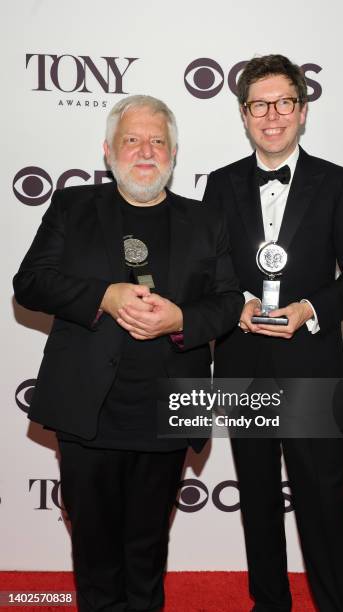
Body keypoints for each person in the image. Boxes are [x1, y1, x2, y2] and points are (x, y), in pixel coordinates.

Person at [13, 94, 243, 612]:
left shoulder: (207, 221)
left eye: (157, 141)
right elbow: (30, 283)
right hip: (87, 411)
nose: (145, 151)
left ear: (175, 153)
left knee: (147, 554)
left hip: (167, 413)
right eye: (132, 140)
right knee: (94, 557)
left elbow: (229, 303)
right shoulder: (73, 206)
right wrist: (104, 296)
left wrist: (182, 318)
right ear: (108, 150)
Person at [203, 54, 343, 612]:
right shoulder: (221, 183)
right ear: (243, 113)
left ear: (302, 111)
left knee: (324, 502)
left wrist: (309, 307)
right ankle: (269, 604)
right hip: (242, 364)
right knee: (256, 500)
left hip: (311, 366)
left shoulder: (335, 182)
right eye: (260, 104)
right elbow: (209, 272)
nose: (272, 115)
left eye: (284, 102)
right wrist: (237, 307)